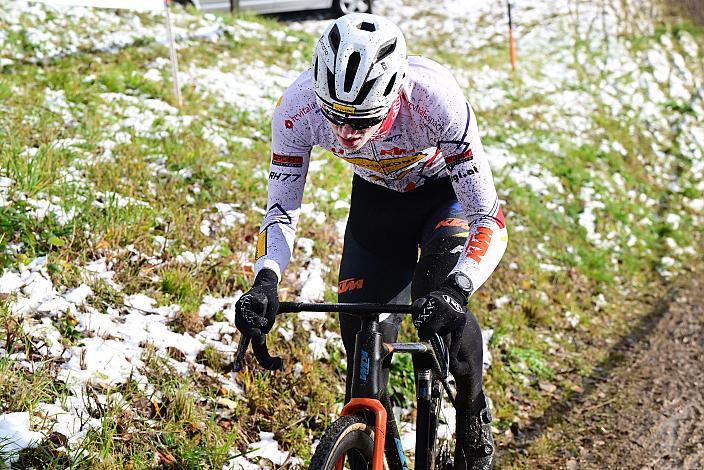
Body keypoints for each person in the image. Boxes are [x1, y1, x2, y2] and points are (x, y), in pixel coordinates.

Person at [235, 13, 507, 469]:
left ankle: (472, 406)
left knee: (438, 308)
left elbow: (488, 217)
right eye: (335, 116)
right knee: (362, 335)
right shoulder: (297, 108)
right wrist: (265, 281)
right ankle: (372, 441)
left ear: (395, 93)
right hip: (378, 204)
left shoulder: (436, 99)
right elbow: (281, 209)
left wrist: (459, 287)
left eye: (362, 120)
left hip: (445, 199)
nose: (345, 133)